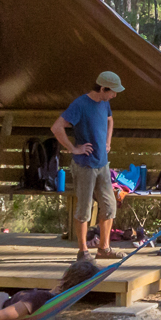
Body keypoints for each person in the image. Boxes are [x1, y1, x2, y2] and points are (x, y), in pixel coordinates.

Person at [52, 70, 124, 258]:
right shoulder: (80, 105)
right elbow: (57, 127)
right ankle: (83, 251)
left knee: (109, 207)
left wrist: (108, 142)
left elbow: (109, 120)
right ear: (103, 88)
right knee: (84, 209)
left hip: (102, 165)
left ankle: (104, 249)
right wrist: (73, 148)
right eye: (112, 91)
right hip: (85, 166)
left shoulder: (105, 103)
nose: (114, 95)